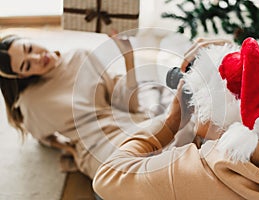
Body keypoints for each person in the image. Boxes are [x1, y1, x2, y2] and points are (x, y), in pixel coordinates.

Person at [93, 37, 259, 200]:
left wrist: (171, 122)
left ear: (214, 111)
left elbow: (106, 178)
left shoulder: (195, 170)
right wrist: (234, 58)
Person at [0, 33, 163, 179]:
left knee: (171, 142)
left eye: (29, 48)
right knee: (141, 170)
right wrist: (69, 149)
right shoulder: (31, 102)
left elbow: (129, 105)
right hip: (96, 150)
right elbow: (41, 136)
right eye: (27, 66)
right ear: (22, 76)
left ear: (31, 38)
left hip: (125, 125)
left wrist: (128, 57)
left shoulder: (80, 55)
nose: (37, 58)